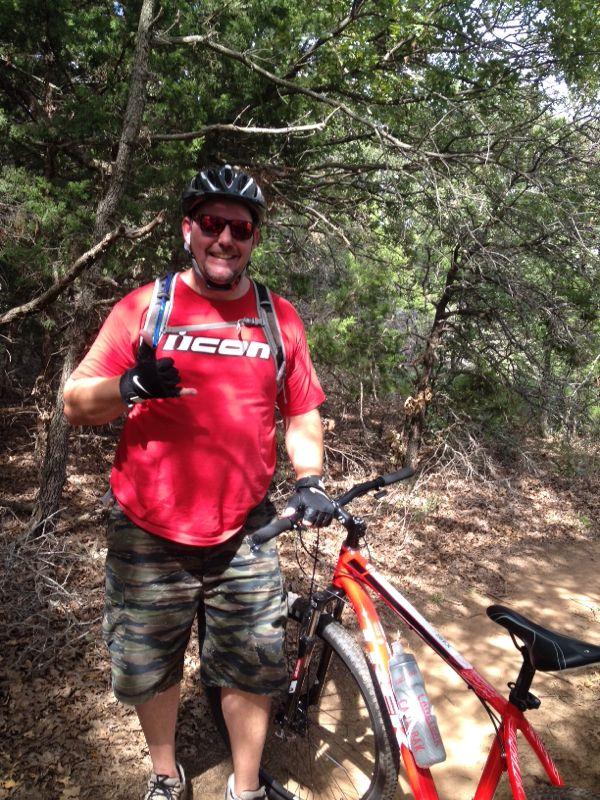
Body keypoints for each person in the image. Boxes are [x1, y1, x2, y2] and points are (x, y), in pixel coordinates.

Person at [63, 164, 335, 800]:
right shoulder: (144, 307)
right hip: (148, 531)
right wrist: (129, 386)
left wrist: (311, 477)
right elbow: (77, 403)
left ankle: (244, 788)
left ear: (253, 240)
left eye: (239, 228)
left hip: (246, 528)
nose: (224, 239)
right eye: (211, 224)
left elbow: (301, 410)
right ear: (189, 230)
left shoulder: (278, 318)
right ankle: (166, 775)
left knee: (251, 666)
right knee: (149, 667)